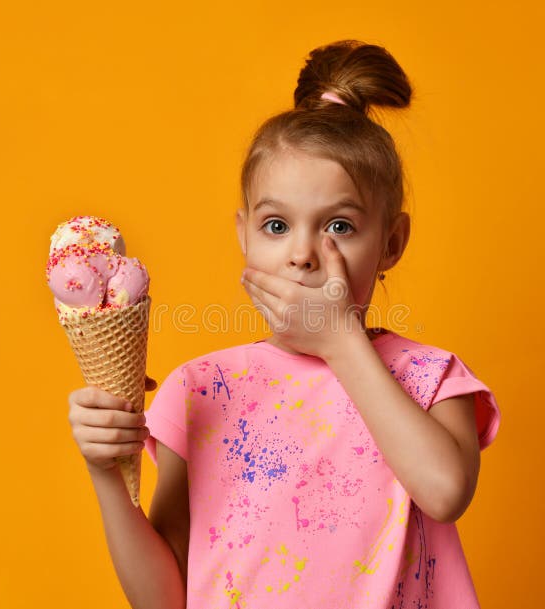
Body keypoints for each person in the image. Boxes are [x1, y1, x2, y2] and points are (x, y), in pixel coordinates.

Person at [67, 39, 501, 609]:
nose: (303, 253)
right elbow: (163, 599)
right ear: (243, 234)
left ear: (391, 242)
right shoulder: (199, 391)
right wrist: (106, 474)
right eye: (276, 226)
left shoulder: (430, 378)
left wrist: (341, 341)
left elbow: (444, 492)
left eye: (339, 226)